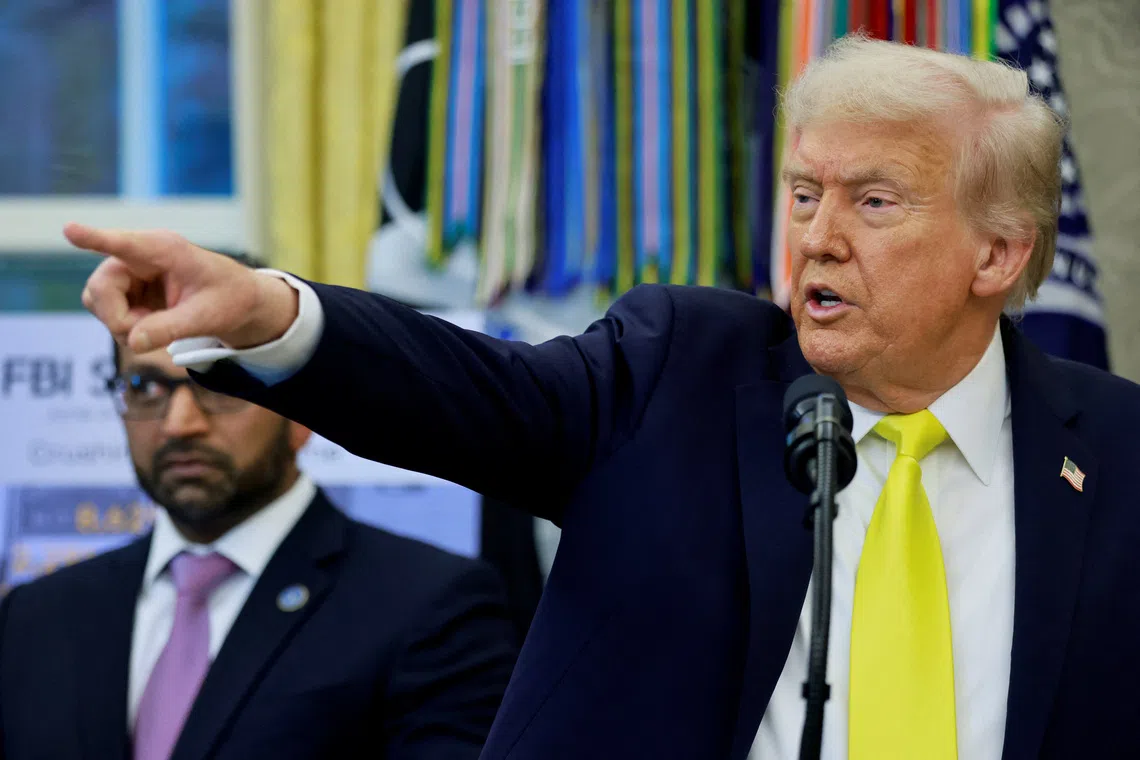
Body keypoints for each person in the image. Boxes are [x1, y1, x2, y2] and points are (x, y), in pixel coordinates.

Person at [65, 35, 1140, 760]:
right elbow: (465, 391)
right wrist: (265, 312)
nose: (817, 235)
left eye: (873, 200)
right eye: (805, 192)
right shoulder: (678, 372)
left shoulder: (1121, 455)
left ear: (998, 253)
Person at [0, 310, 519, 759]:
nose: (179, 423)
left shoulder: (431, 606)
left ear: (301, 415)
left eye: (220, 385)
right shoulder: (38, 617)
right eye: (145, 387)